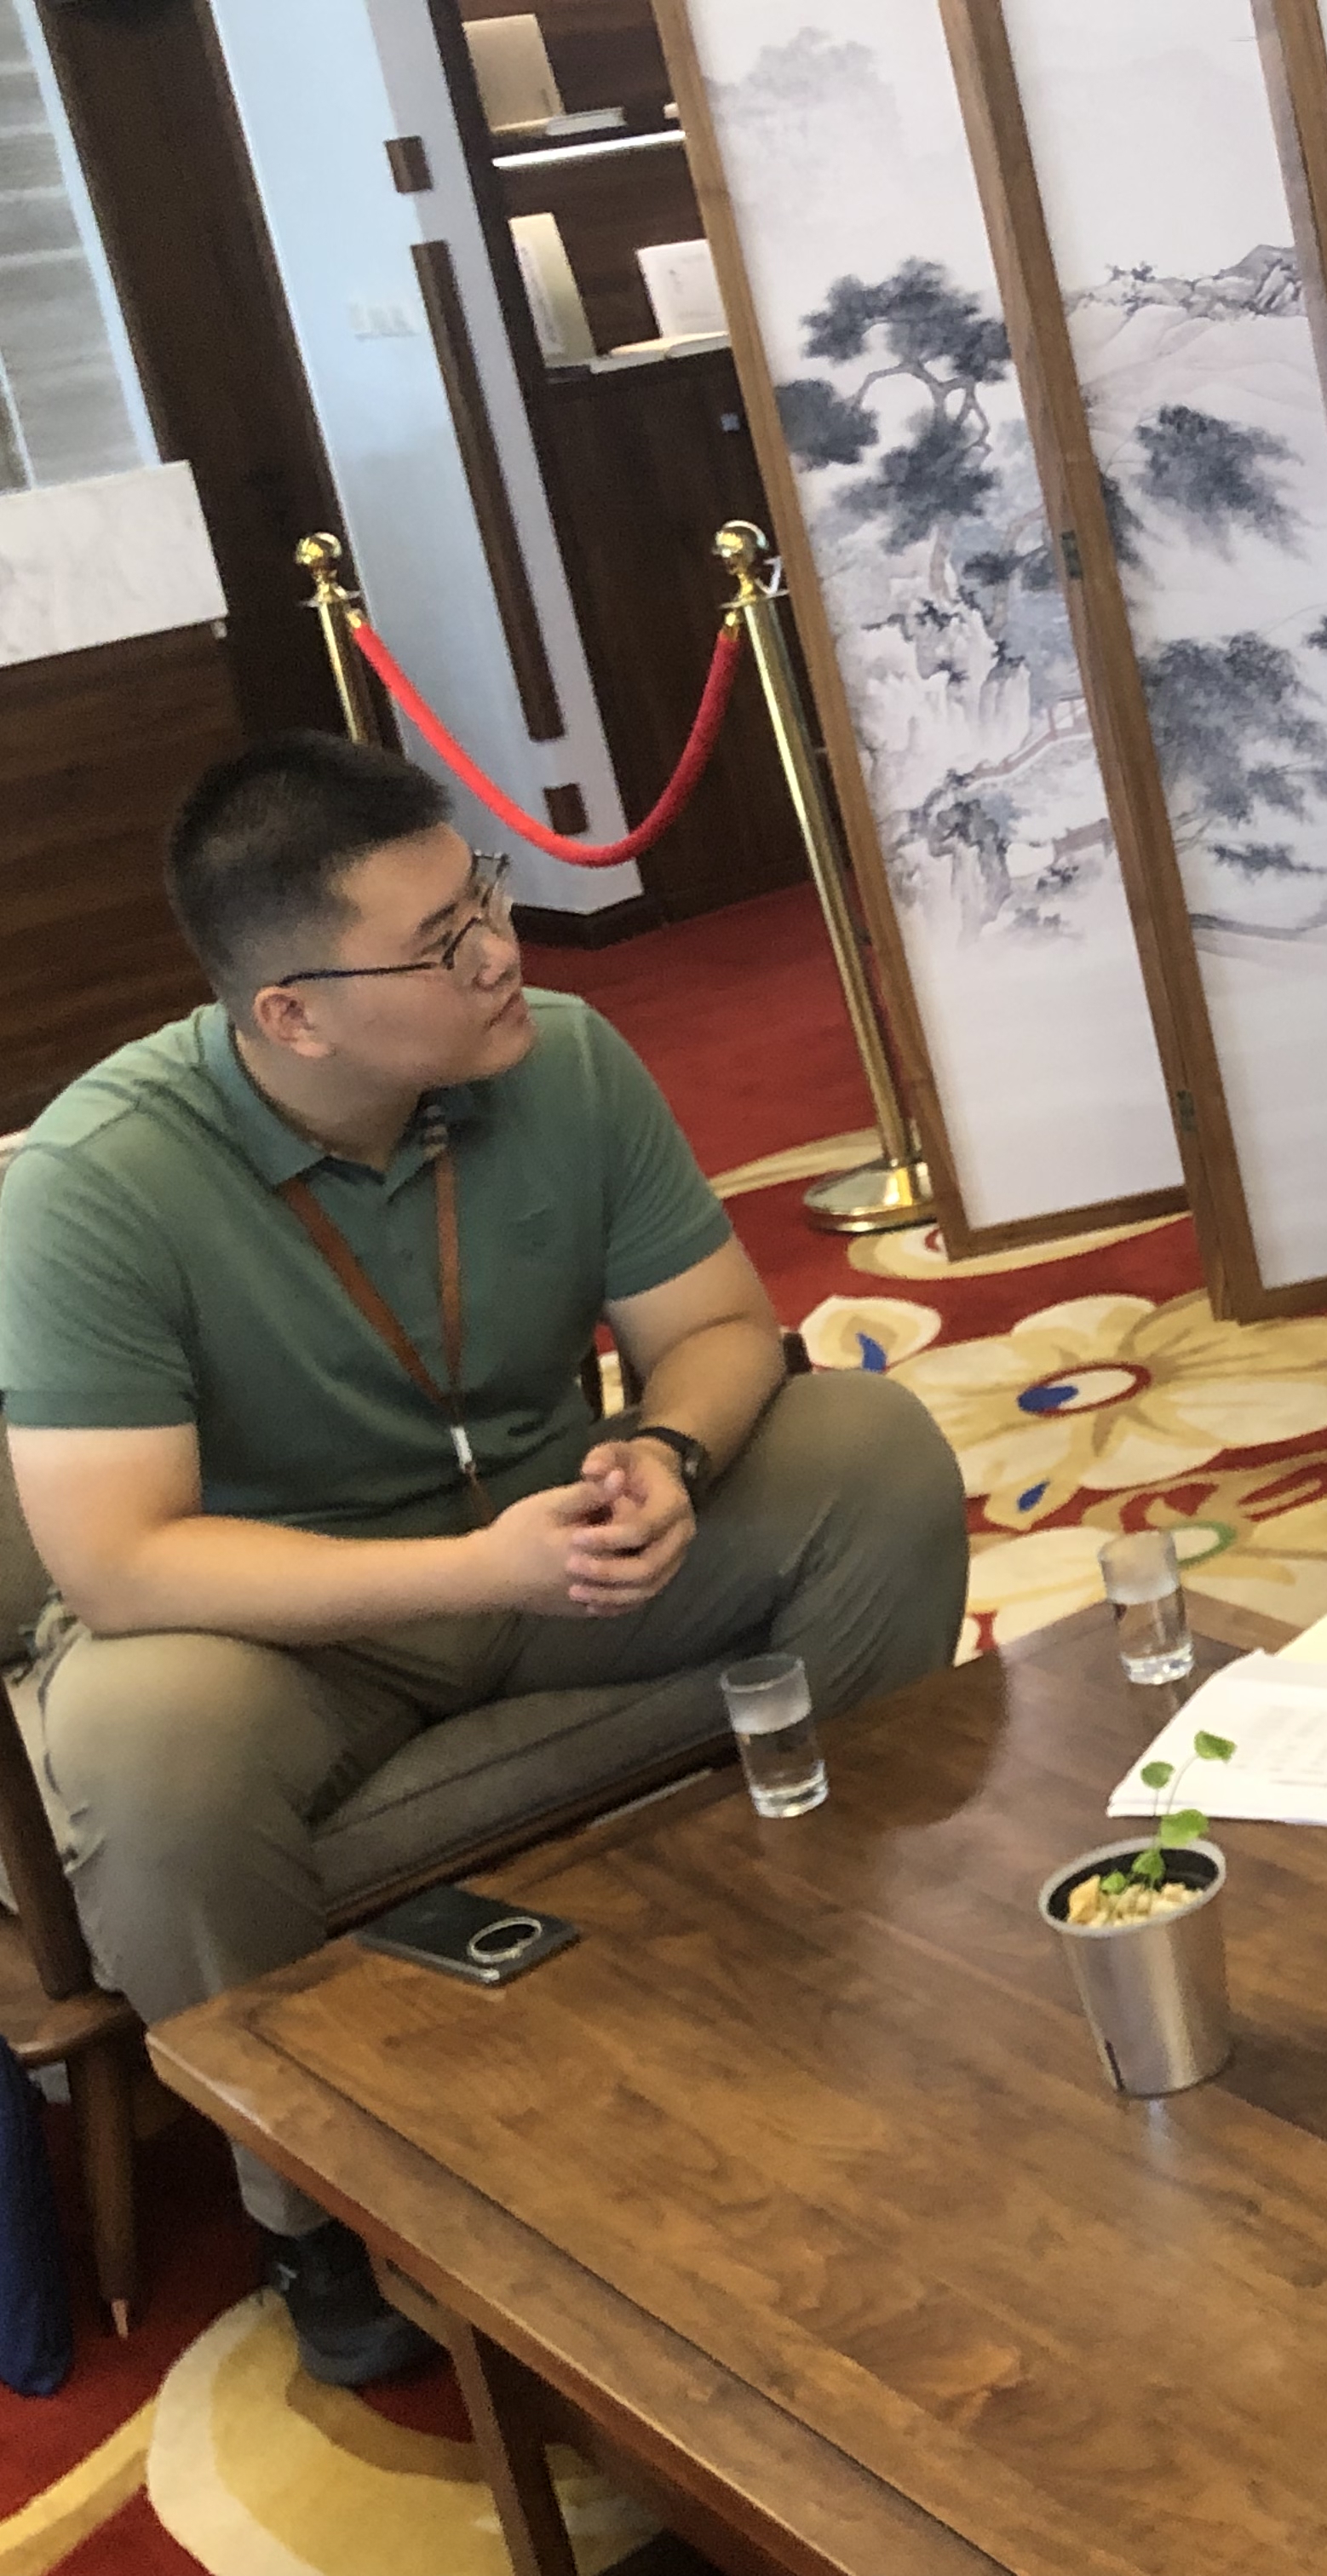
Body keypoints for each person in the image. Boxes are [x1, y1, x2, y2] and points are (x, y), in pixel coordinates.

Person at [0, 735, 966, 2384]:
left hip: (559, 1542)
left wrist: (670, 1455)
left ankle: (853, 1928)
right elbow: (122, 1565)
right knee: (141, 1741)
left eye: (489, 900)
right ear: (293, 1013)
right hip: (289, 1627)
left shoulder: (566, 1060)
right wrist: (474, 1573)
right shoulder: (101, 1182)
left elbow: (721, 1329)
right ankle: (312, 2206)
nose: (503, 953)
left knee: (866, 1453)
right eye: (442, 943)